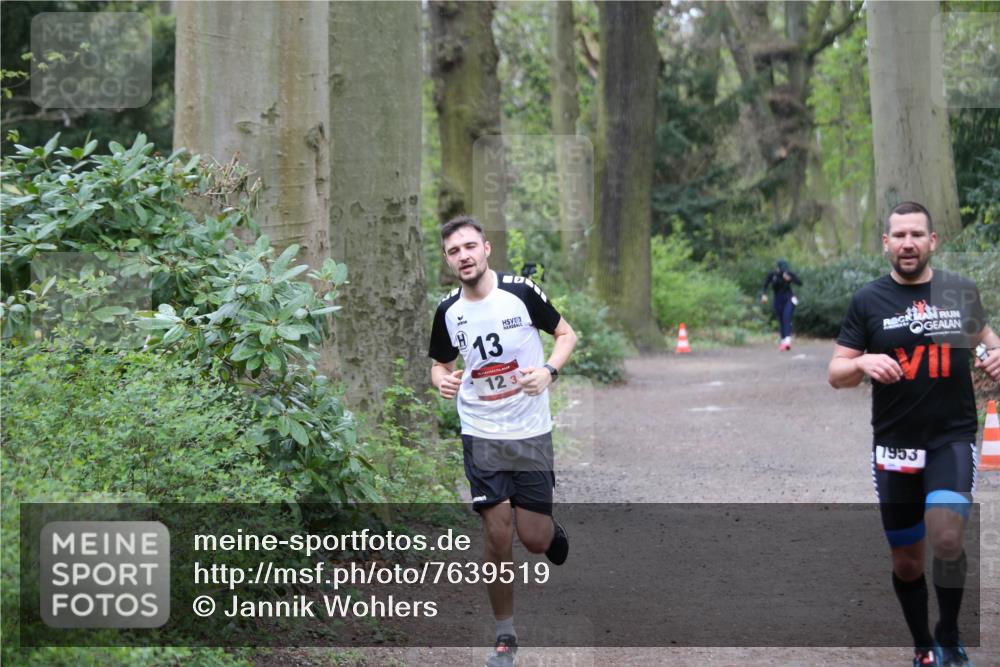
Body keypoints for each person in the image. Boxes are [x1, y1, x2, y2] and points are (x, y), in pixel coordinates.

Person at [827, 201, 1000, 667]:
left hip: (952, 436)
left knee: (946, 537)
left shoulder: (959, 293)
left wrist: (997, 355)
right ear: (886, 243)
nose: (908, 243)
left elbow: (990, 340)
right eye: (899, 235)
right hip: (895, 442)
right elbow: (835, 371)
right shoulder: (868, 301)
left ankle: (948, 634)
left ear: (932, 241)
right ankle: (922, 642)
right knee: (907, 559)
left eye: (916, 235)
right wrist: (861, 362)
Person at [429, 215, 577, 667]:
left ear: (487, 248)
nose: (464, 256)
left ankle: (549, 534)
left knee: (531, 538)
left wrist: (548, 371)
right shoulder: (448, 310)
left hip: (529, 430)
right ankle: (505, 635)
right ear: (448, 259)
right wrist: (442, 381)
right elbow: (438, 363)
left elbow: (566, 335)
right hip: (482, 431)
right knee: (497, 532)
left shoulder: (520, 292)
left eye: (470, 247)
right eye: (455, 251)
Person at [760, 259, 803, 351]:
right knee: (781, 319)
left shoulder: (788, 273)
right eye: (782, 269)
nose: (784, 270)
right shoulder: (772, 275)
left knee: (786, 317)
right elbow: (765, 285)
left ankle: (788, 341)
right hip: (778, 299)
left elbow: (800, 283)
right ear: (778, 268)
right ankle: (784, 341)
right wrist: (763, 294)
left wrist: (790, 279)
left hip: (789, 298)